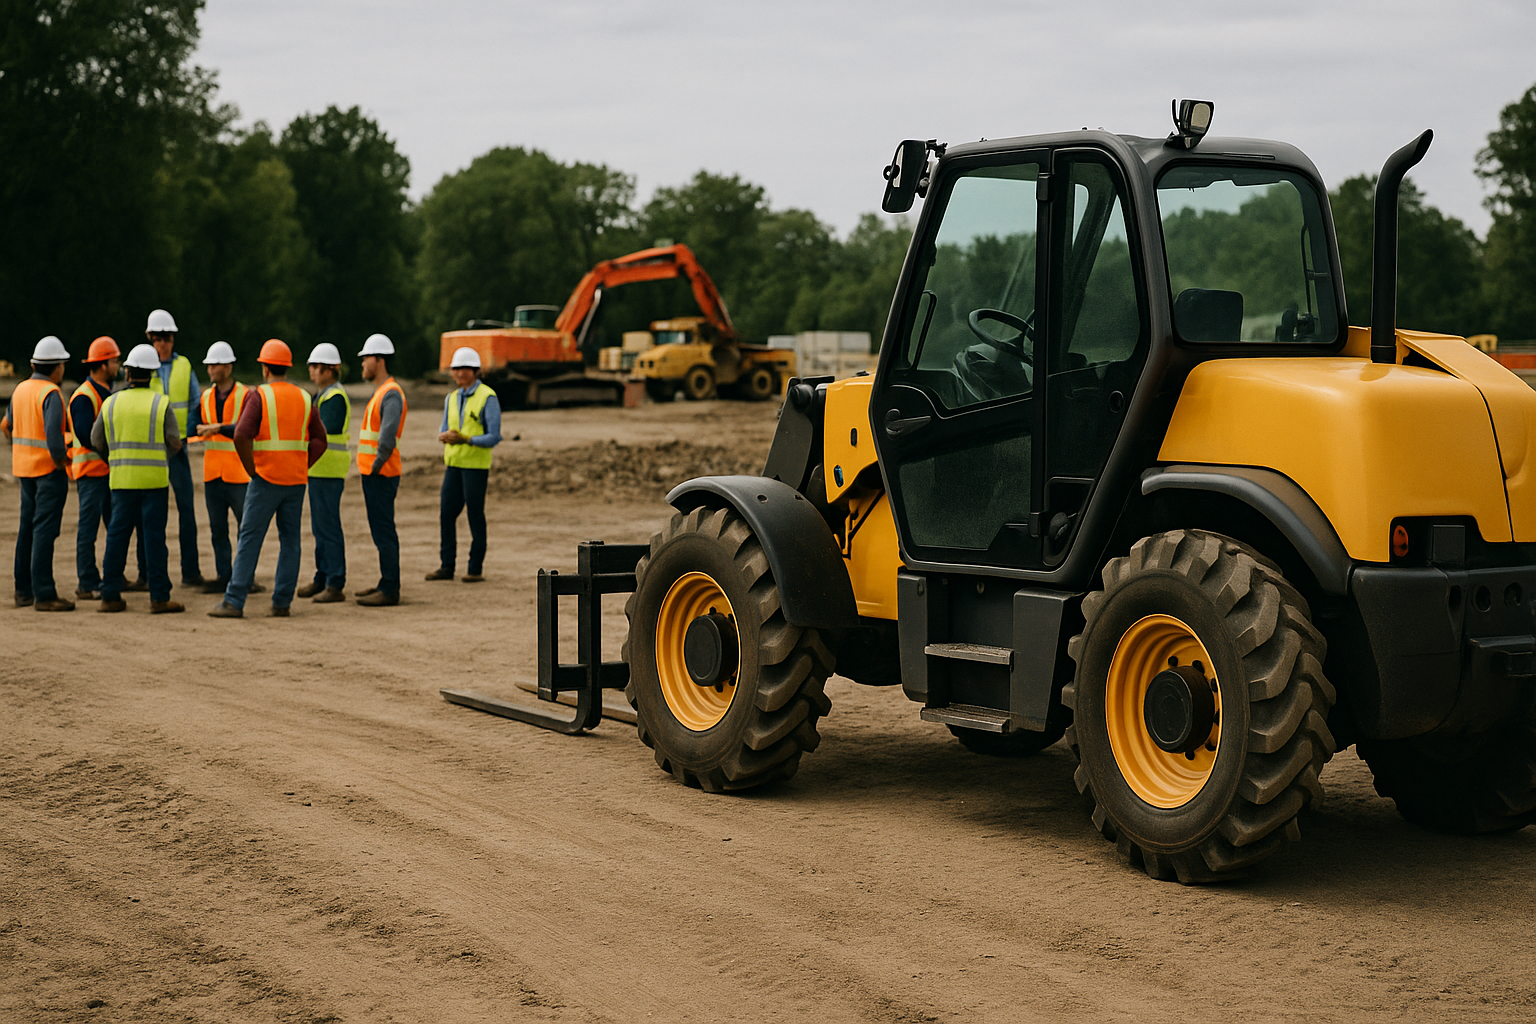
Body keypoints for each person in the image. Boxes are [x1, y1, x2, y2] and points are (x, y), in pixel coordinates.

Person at [208, 340, 326, 619]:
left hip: (265, 479)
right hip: (295, 482)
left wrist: (251, 469)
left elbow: (241, 434)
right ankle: (282, 602)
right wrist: (302, 464)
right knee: (290, 541)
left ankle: (234, 601)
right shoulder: (304, 397)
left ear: (264, 368)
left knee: (250, 538)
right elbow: (321, 439)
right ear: (287, 367)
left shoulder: (259, 396)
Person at [92, 343, 185, 614]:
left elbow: (97, 440)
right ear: (153, 374)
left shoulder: (110, 403)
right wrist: (160, 457)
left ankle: (109, 595)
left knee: (116, 537)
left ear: (128, 373)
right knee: (154, 539)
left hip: (121, 482)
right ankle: (159, 597)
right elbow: (175, 442)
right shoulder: (160, 403)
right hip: (154, 482)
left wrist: (115, 459)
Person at [3, 336, 74, 611]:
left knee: (27, 530)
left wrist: (20, 453)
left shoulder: (20, 390)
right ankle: (44, 593)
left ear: (33, 364)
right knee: (44, 531)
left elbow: (6, 425)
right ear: (57, 368)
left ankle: (23, 591)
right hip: (47, 472)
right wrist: (63, 462)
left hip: (25, 472)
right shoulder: (51, 394)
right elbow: (55, 439)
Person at [142, 308, 205, 587]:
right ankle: (148, 574)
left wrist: (185, 434)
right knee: (151, 515)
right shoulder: (141, 367)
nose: (162, 342)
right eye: (157, 337)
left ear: (173, 338)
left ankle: (190, 572)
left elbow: (195, 403)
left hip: (178, 452)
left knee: (187, 513)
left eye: (166, 337)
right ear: (149, 337)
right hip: (152, 452)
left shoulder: (185, 366)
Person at [426, 347, 501, 583]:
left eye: (462, 369)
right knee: (446, 514)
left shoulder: (487, 397)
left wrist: (467, 439)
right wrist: (444, 436)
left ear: (474, 371)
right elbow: (441, 430)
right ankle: (446, 566)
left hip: (476, 467)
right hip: (454, 465)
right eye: (455, 369)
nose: (458, 373)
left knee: (474, 515)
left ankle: (474, 567)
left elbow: (494, 436)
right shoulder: (452, 398)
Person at [192, 341, 258, 595]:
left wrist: (218, 428)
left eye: (215, 365)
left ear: (228, 367)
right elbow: (195, 424)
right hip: (213, 473)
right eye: (209, 365)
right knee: (218, 529)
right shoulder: (205, 396)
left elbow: (246, 428)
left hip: (239, 473)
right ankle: (224, 575)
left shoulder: (246, 394)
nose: (210, 370)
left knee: (245, 529)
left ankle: (245, 577)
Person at [65, 336, 121, 600]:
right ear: (102, 364)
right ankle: (87, 581)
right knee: (88, 530)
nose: (118, 365)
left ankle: (112, 576)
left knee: (115, 528)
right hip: (90, 473)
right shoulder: (83, 397)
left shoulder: (107, 393)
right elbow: (87, 436)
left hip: (107, 472)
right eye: (114, 360)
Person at [296, 343, 350, 603]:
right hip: (320, 468)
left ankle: (335, 582)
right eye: (312, 366)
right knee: (320, 526)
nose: (312, 371)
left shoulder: (334, 398)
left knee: (328, 526)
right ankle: (323, 576)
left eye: (317, 366)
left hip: (329, 469)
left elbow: (323, 432)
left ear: (331, 370)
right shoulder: (323, 396)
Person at [355, 333, 406, 607]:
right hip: (376, 473)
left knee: (384, 531)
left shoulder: (391, 394)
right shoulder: (383, 392)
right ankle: (385, 583)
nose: (363, 363)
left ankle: (389, 588)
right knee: (380, 530)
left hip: (381, 474)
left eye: (366, 358)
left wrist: (374, 467)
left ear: (380, 360)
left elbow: (386, 440)